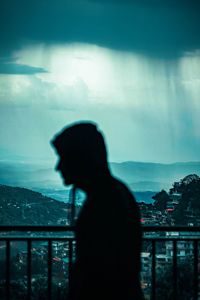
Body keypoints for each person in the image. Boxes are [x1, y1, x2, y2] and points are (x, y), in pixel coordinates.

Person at [51, 121, 143, 300]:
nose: (58, 166)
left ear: (82, 159)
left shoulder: (105, 203)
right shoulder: (113, 194)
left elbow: (99, 274)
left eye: (64, 157)